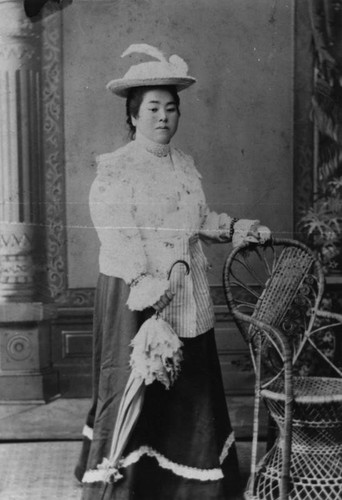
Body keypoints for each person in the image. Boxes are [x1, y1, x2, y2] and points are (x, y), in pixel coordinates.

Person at [75, 43, 271, 500]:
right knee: (140, 385)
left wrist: (235, 228)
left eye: (171, 109)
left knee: (189, 387)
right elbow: (116, 233)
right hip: (136, 291)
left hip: (187, 290)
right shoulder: (116, 168)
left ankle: (188, 488)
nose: (164, 117)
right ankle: (127, 486)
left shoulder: (184, 164)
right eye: (153, 108)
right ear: (133, 116)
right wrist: (146, 285)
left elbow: (197, 220)